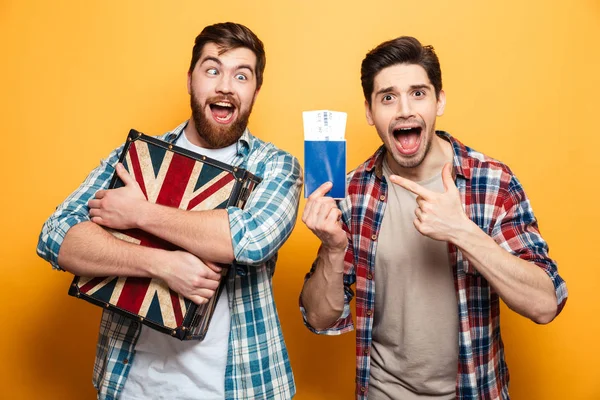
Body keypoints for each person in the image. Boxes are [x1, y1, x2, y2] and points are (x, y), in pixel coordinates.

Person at [37, 22, 301, 400]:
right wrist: (162, 265)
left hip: (236, 389)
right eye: (212, 70)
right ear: (190, 80)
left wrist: (140, 213)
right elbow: (56, 236)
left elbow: (248, 241)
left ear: (256, 90)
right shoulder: (136, 157)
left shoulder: (276, 167)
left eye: (241, 75)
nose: (225, 85)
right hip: (130, 385)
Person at [299, 36, 567, 400]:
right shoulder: (352, 193)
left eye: (418, 93)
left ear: (439, 100)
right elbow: (318, 318)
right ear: (369, 111)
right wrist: (333, 249)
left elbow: (546, 304)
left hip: (474, 391)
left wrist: (463, 232)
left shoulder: (492, 182)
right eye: (388, 97)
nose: (404, 110)